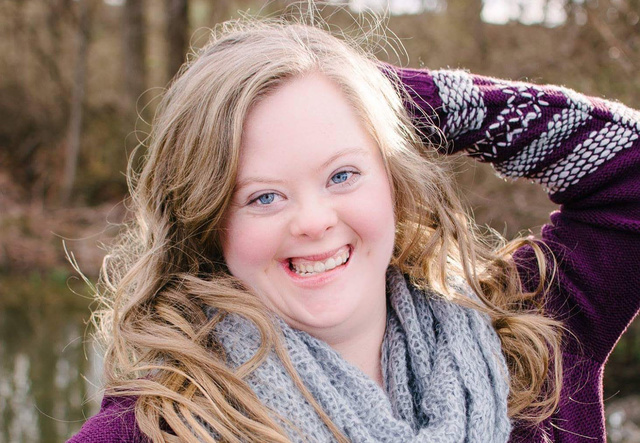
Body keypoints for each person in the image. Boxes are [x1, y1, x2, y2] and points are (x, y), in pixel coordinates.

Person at [68, 14, 640, 443]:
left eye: (343, 174)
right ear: (208, 224)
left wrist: (371, 97)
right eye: (263, 196)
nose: (315, 221)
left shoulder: (532, 338)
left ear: (394, 181)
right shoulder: (157, 426)